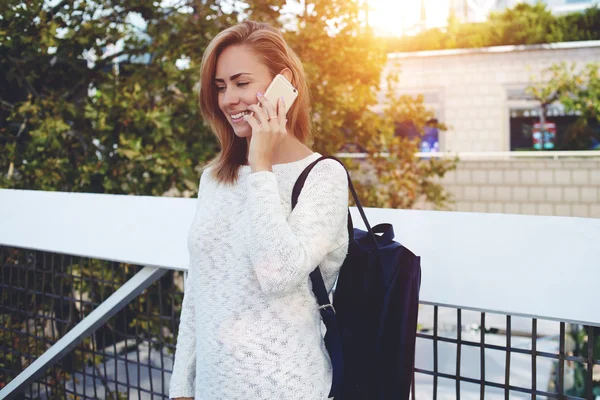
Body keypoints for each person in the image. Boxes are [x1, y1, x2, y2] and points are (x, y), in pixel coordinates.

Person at [169, 20, 350, 400]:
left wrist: (262, 165)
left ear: (282, 83)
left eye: (241, 82)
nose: (228, 99)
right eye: (220, 87)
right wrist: (182, 386)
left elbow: (277, 273)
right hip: (212, 388)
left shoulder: (323, 177)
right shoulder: (216, 178)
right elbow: (199, 290)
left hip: (287, 387)